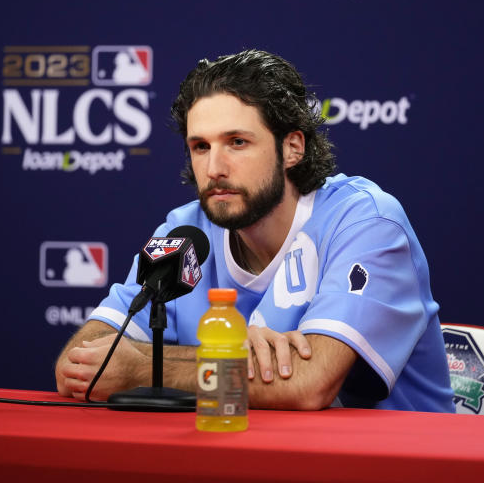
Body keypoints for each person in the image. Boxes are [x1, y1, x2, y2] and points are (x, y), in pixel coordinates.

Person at [55, 49, 454, 412]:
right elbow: (81, 362)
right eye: (200, 147)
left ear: (292, 148)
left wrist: (146, 369)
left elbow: (306, 384)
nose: (214, 168)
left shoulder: (366, 221)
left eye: (238, 142)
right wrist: (232, 359)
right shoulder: (184, 230)